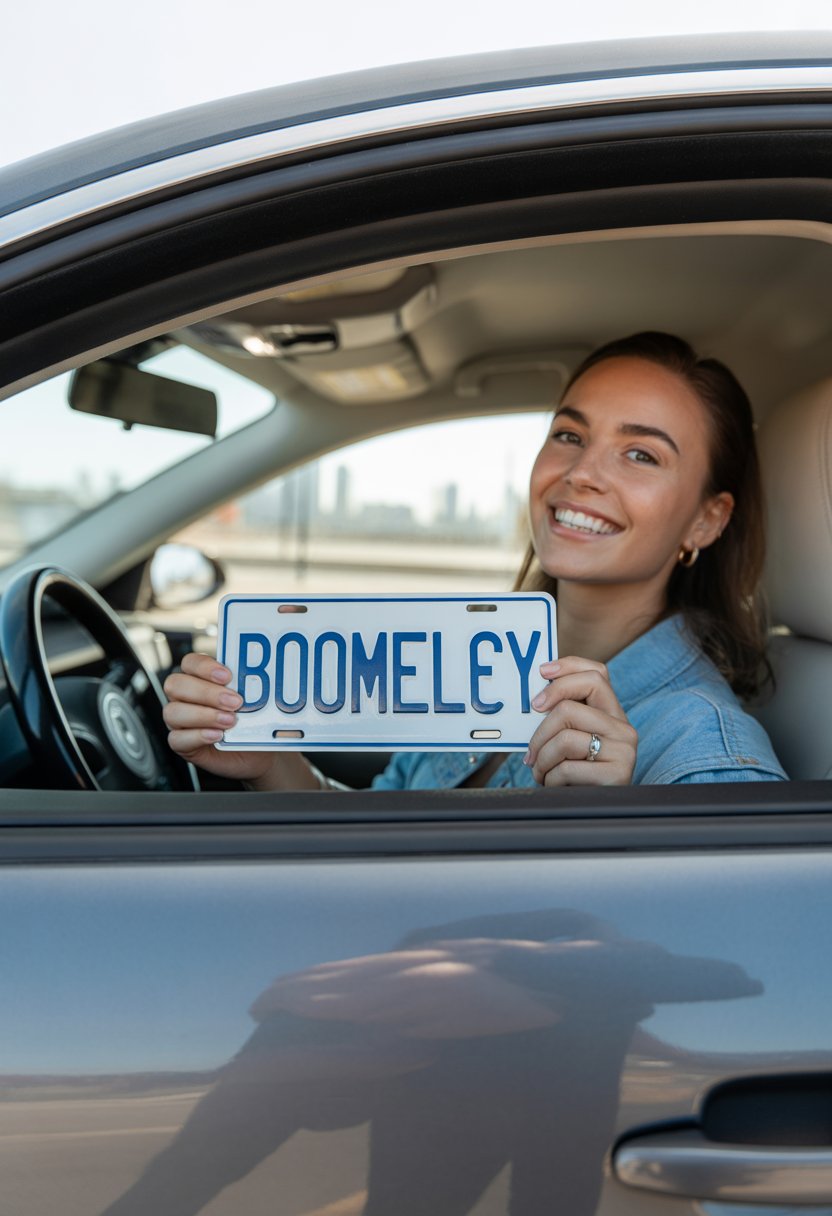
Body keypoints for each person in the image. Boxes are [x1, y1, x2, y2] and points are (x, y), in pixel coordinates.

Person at [163, 332, 786, 788]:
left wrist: (603, 830)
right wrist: (269, 763)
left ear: (708, 518)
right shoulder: (471, 662)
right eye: (569, 435)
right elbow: (377, 842)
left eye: (641, 455)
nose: (582, 473)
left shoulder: (706, 753)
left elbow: (741, 963)